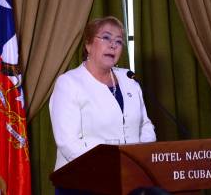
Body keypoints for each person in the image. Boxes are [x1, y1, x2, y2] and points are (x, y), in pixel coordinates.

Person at [49, 16, 157, 194]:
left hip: (130, 178)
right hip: (81, 182)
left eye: (119, 41)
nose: (113, 45)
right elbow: (68, 143)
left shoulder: (129, 80)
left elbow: (145, 125)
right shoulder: (69, 83)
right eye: (106, 38)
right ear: (88, 45)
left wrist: (141, 159)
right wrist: (108, 169)